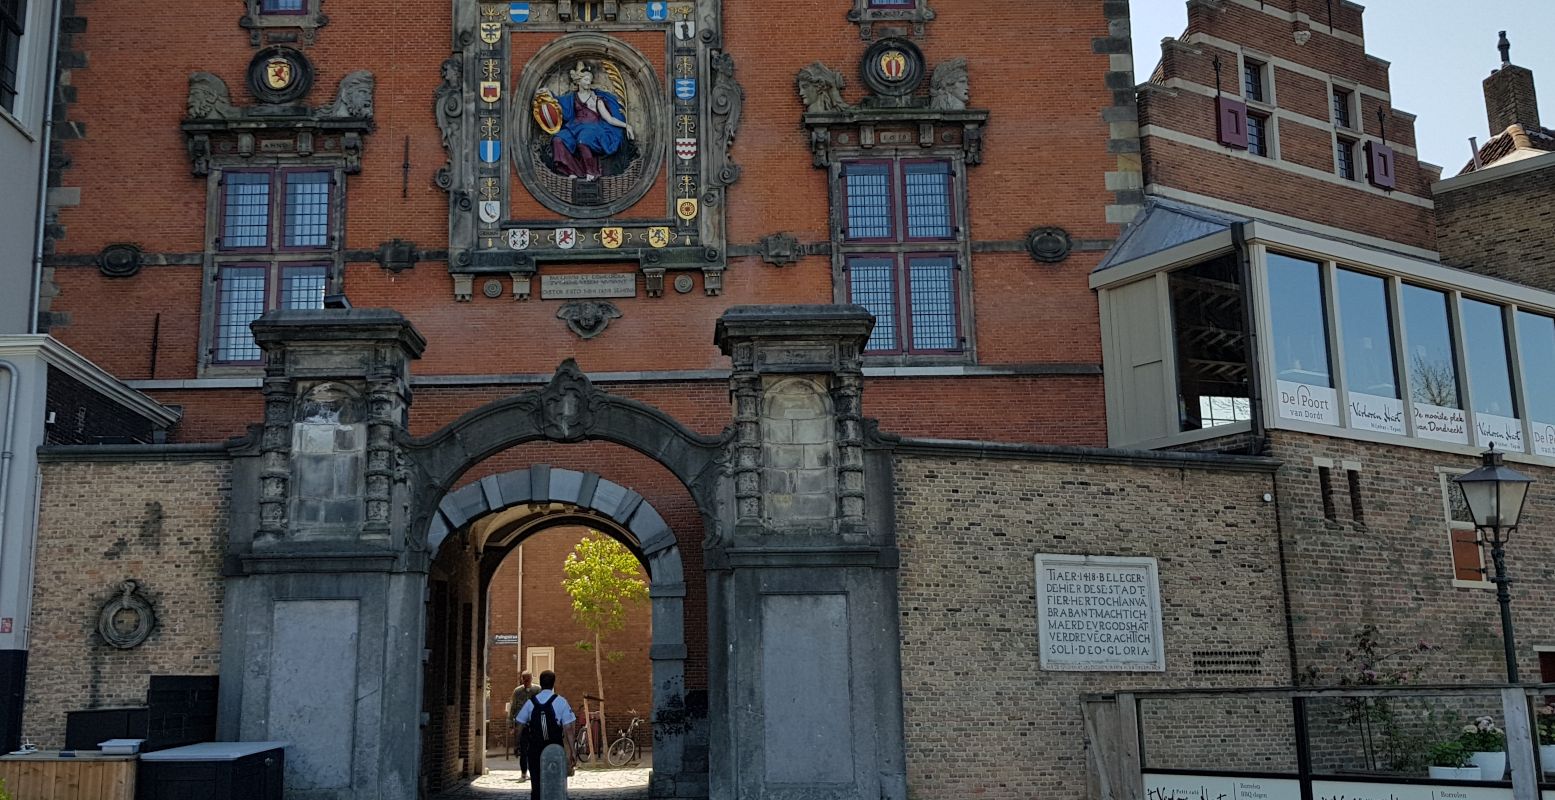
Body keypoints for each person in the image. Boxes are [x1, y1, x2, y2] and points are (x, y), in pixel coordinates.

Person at [538, 61, 635, 181]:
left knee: (583, 139)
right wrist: (546, 93)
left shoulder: (596, 99)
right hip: (575, 127)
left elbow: (609, 118)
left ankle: (592, 172)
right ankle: (572, 170)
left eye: (590, 79)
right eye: (585, 79)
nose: (588, 82)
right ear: (579, 81)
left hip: (593, 127)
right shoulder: (572, 97)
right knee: (558, 139)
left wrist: (626, 125)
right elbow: (557, 102)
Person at [514, 670, 576, 800]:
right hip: (555, 750)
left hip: (535, 750)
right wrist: (572, 751)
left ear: (540, 683)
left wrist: (517, 744)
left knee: (536, 785)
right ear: (554, 683)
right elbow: (568, 728)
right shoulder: (561, 702)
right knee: (556, 785)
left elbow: (519, 724)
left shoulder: (531, 702)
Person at [509, 672, 541, 780]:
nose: (526, 681)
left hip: (534, 724)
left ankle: (534, 772)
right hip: (521, 725)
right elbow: (513, 708)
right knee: (523, 750)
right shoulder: (517, 691)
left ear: (531, 678)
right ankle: (523, 772)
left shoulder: (537, 690)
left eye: (528, 679)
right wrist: (511, 725)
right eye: (524, 679)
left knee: (535, 749)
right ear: (522, 679)